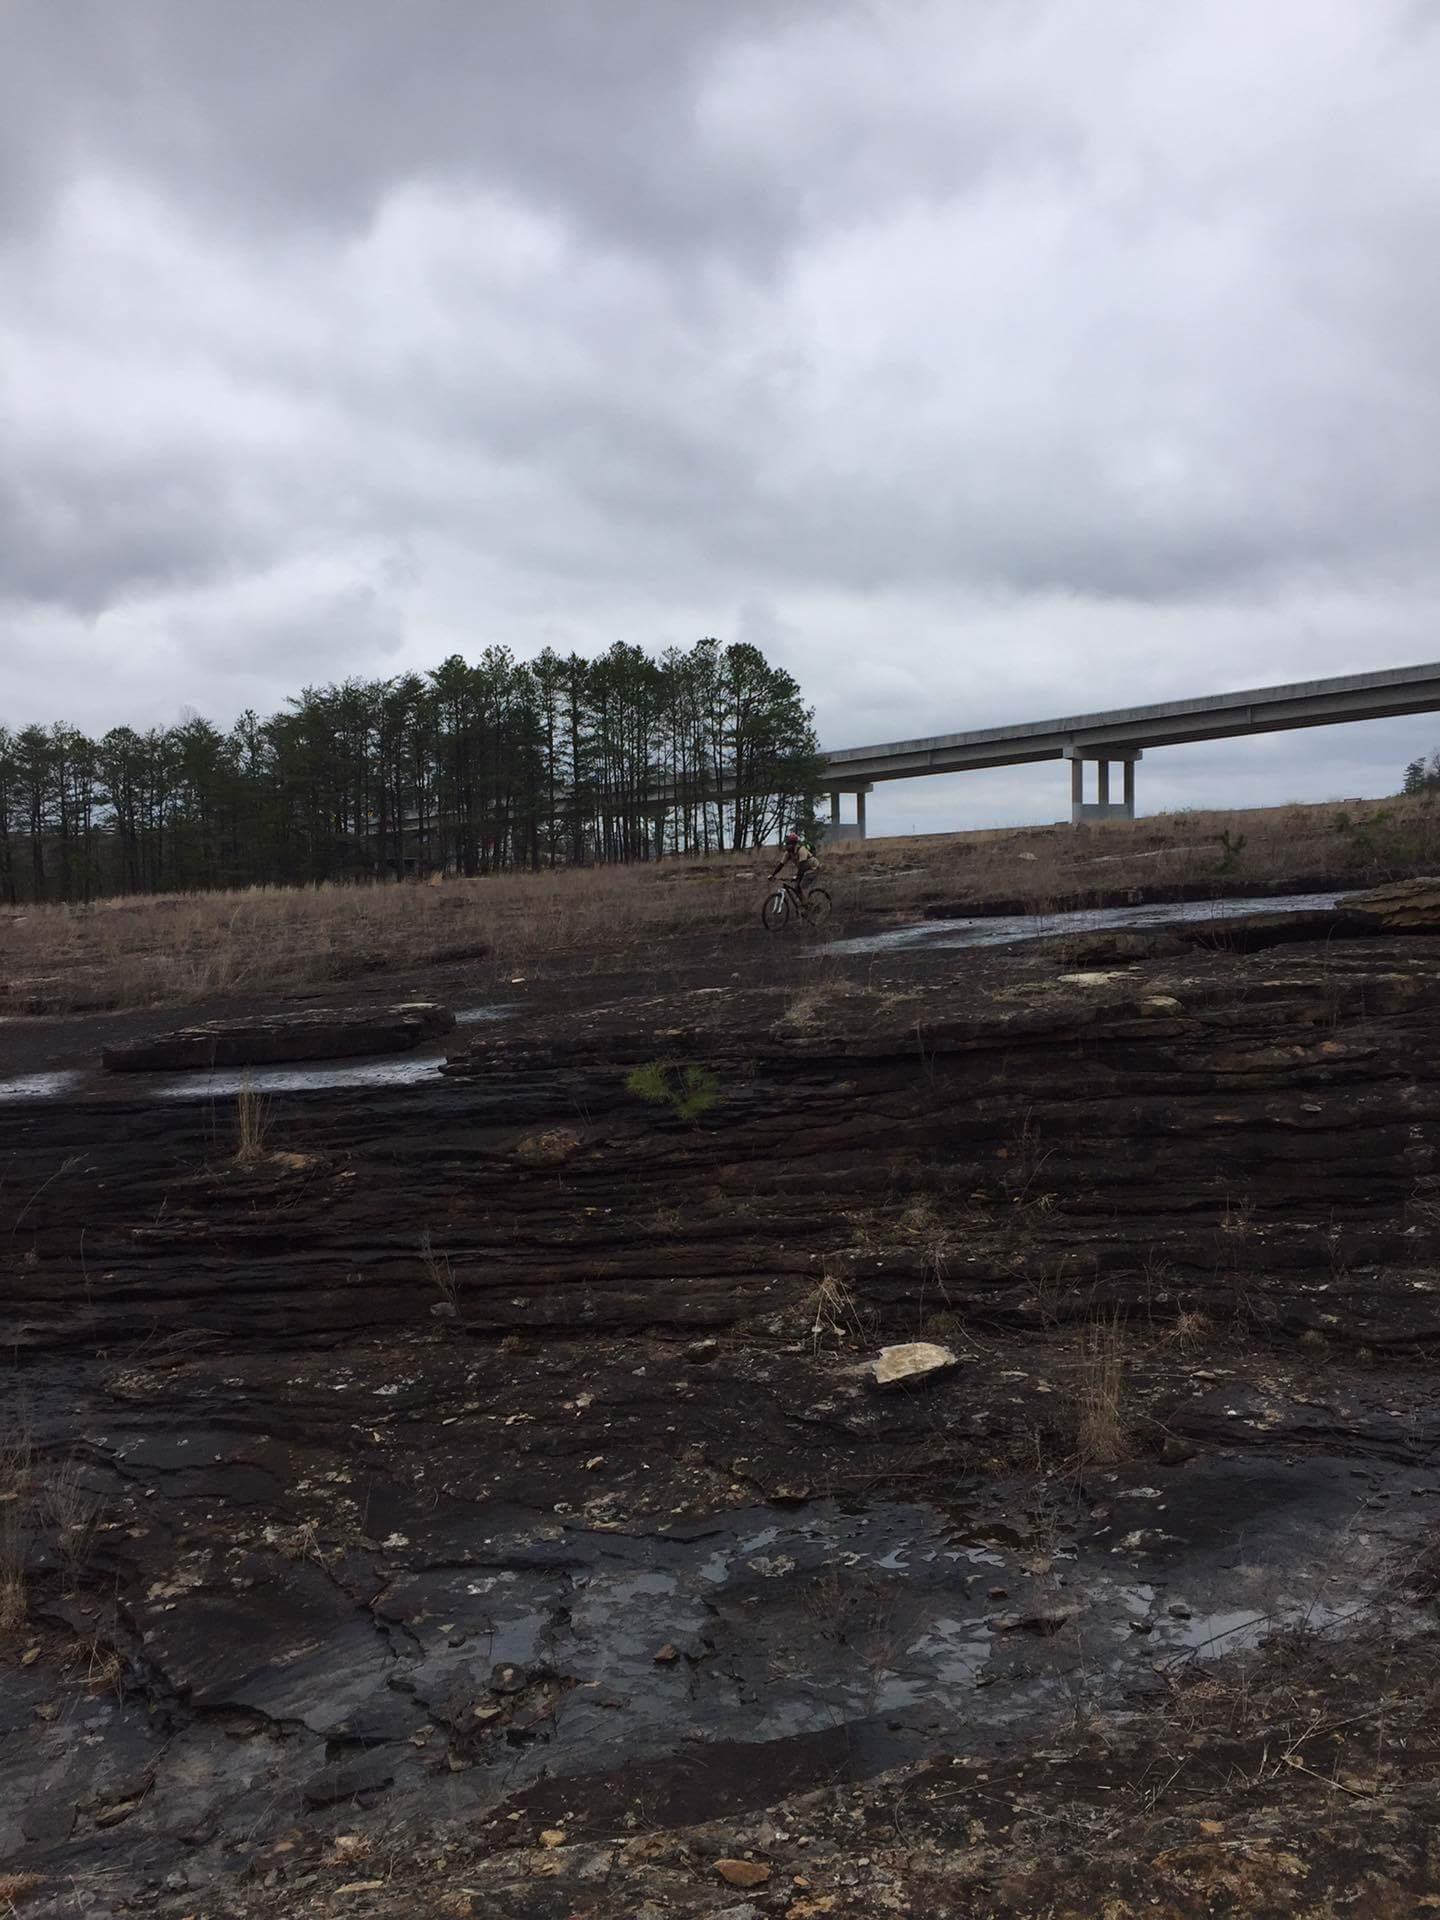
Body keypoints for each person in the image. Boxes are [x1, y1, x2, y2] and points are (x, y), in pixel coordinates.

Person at [770, 827, 820, 900]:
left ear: (794, 844)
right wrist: (773, 874)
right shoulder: (788, 853)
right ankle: (803, 904)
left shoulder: (801, 850)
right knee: (796, 887)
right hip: (805, 869)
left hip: (813, 868)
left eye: (788, 844)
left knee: (801, 886)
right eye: (786, 844)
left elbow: (802, 867)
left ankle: (809, 903)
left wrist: (797, 877)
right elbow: (781, 865)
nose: (786, 846)